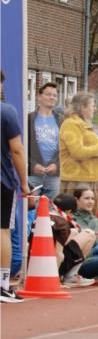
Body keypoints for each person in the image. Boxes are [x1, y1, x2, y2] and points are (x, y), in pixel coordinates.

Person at [1, 69, 30, 303]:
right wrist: (24, 182)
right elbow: (17, 150)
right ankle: (2, 285)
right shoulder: (6, 111)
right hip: (2, 181)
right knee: (2, 231)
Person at [59, 93, 98, 210]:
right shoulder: (71, 124)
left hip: (90, 177)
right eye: (92, 105)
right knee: (79, 219)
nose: (95, 109)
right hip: (78, 180)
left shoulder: (84, 124)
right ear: (82, 107)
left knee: (91, 221)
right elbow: (77, 152)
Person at [28, 81, 63, 199]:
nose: (52, 97)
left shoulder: (61, 120)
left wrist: (57, 165)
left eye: (54, 95)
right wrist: (32, 165)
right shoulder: (28, 119)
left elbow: (65, 148)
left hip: (54, 175)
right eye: (48, 94)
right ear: (39, 96)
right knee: (30, 210)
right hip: (33, 173)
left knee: (51, 211)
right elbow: (22, 146)